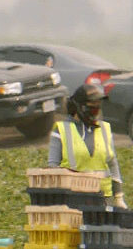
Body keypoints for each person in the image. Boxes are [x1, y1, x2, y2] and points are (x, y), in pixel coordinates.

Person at [47, 78, 126, 208]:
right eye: (93, 109)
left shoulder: (104, 129)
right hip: (73, 200)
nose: (96, 113)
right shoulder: (62, 130)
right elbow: (53, 167)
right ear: (80, 108)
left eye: (98, 109)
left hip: (103, 199)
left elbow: (112, 164)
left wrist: (118, 197)